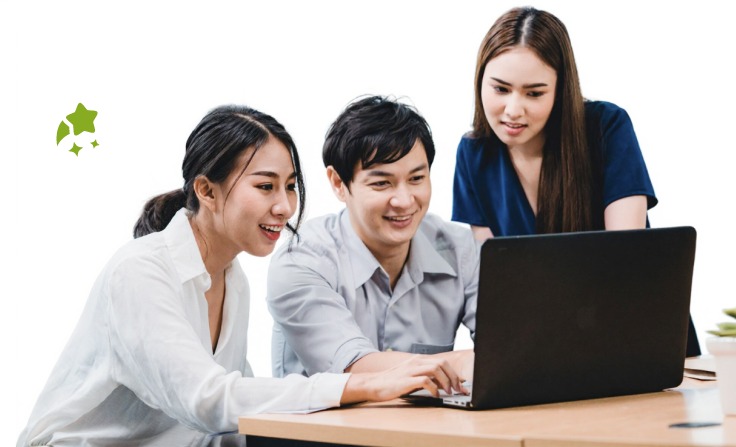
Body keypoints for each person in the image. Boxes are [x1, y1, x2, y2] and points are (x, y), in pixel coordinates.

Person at [18, 105, 452, 447]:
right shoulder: (140, 272)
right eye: (265, 187)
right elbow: (208, 401)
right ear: (206, 190)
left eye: (291, 186)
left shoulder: (232, 276)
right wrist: (363, 386)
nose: (284, 206)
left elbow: (231, 411)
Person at [451, 6, 700, 356]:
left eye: (534, 93)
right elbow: (496, 282)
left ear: (560, 89)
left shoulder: (606, 127)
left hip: (634, 333)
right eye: (500, 89)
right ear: (481, 81)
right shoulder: (473, 154)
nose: (512, 109)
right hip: (546, 346)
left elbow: (624, 257)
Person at [267, 96, 477, 386]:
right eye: (381, 183)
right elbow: (352, 366)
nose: (404, 201)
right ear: (339, 183)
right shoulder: (302, 261)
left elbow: (510, 348)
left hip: (428, 429)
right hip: (320, 430)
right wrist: (464, 362)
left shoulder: (462, 249)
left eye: (417, 178)